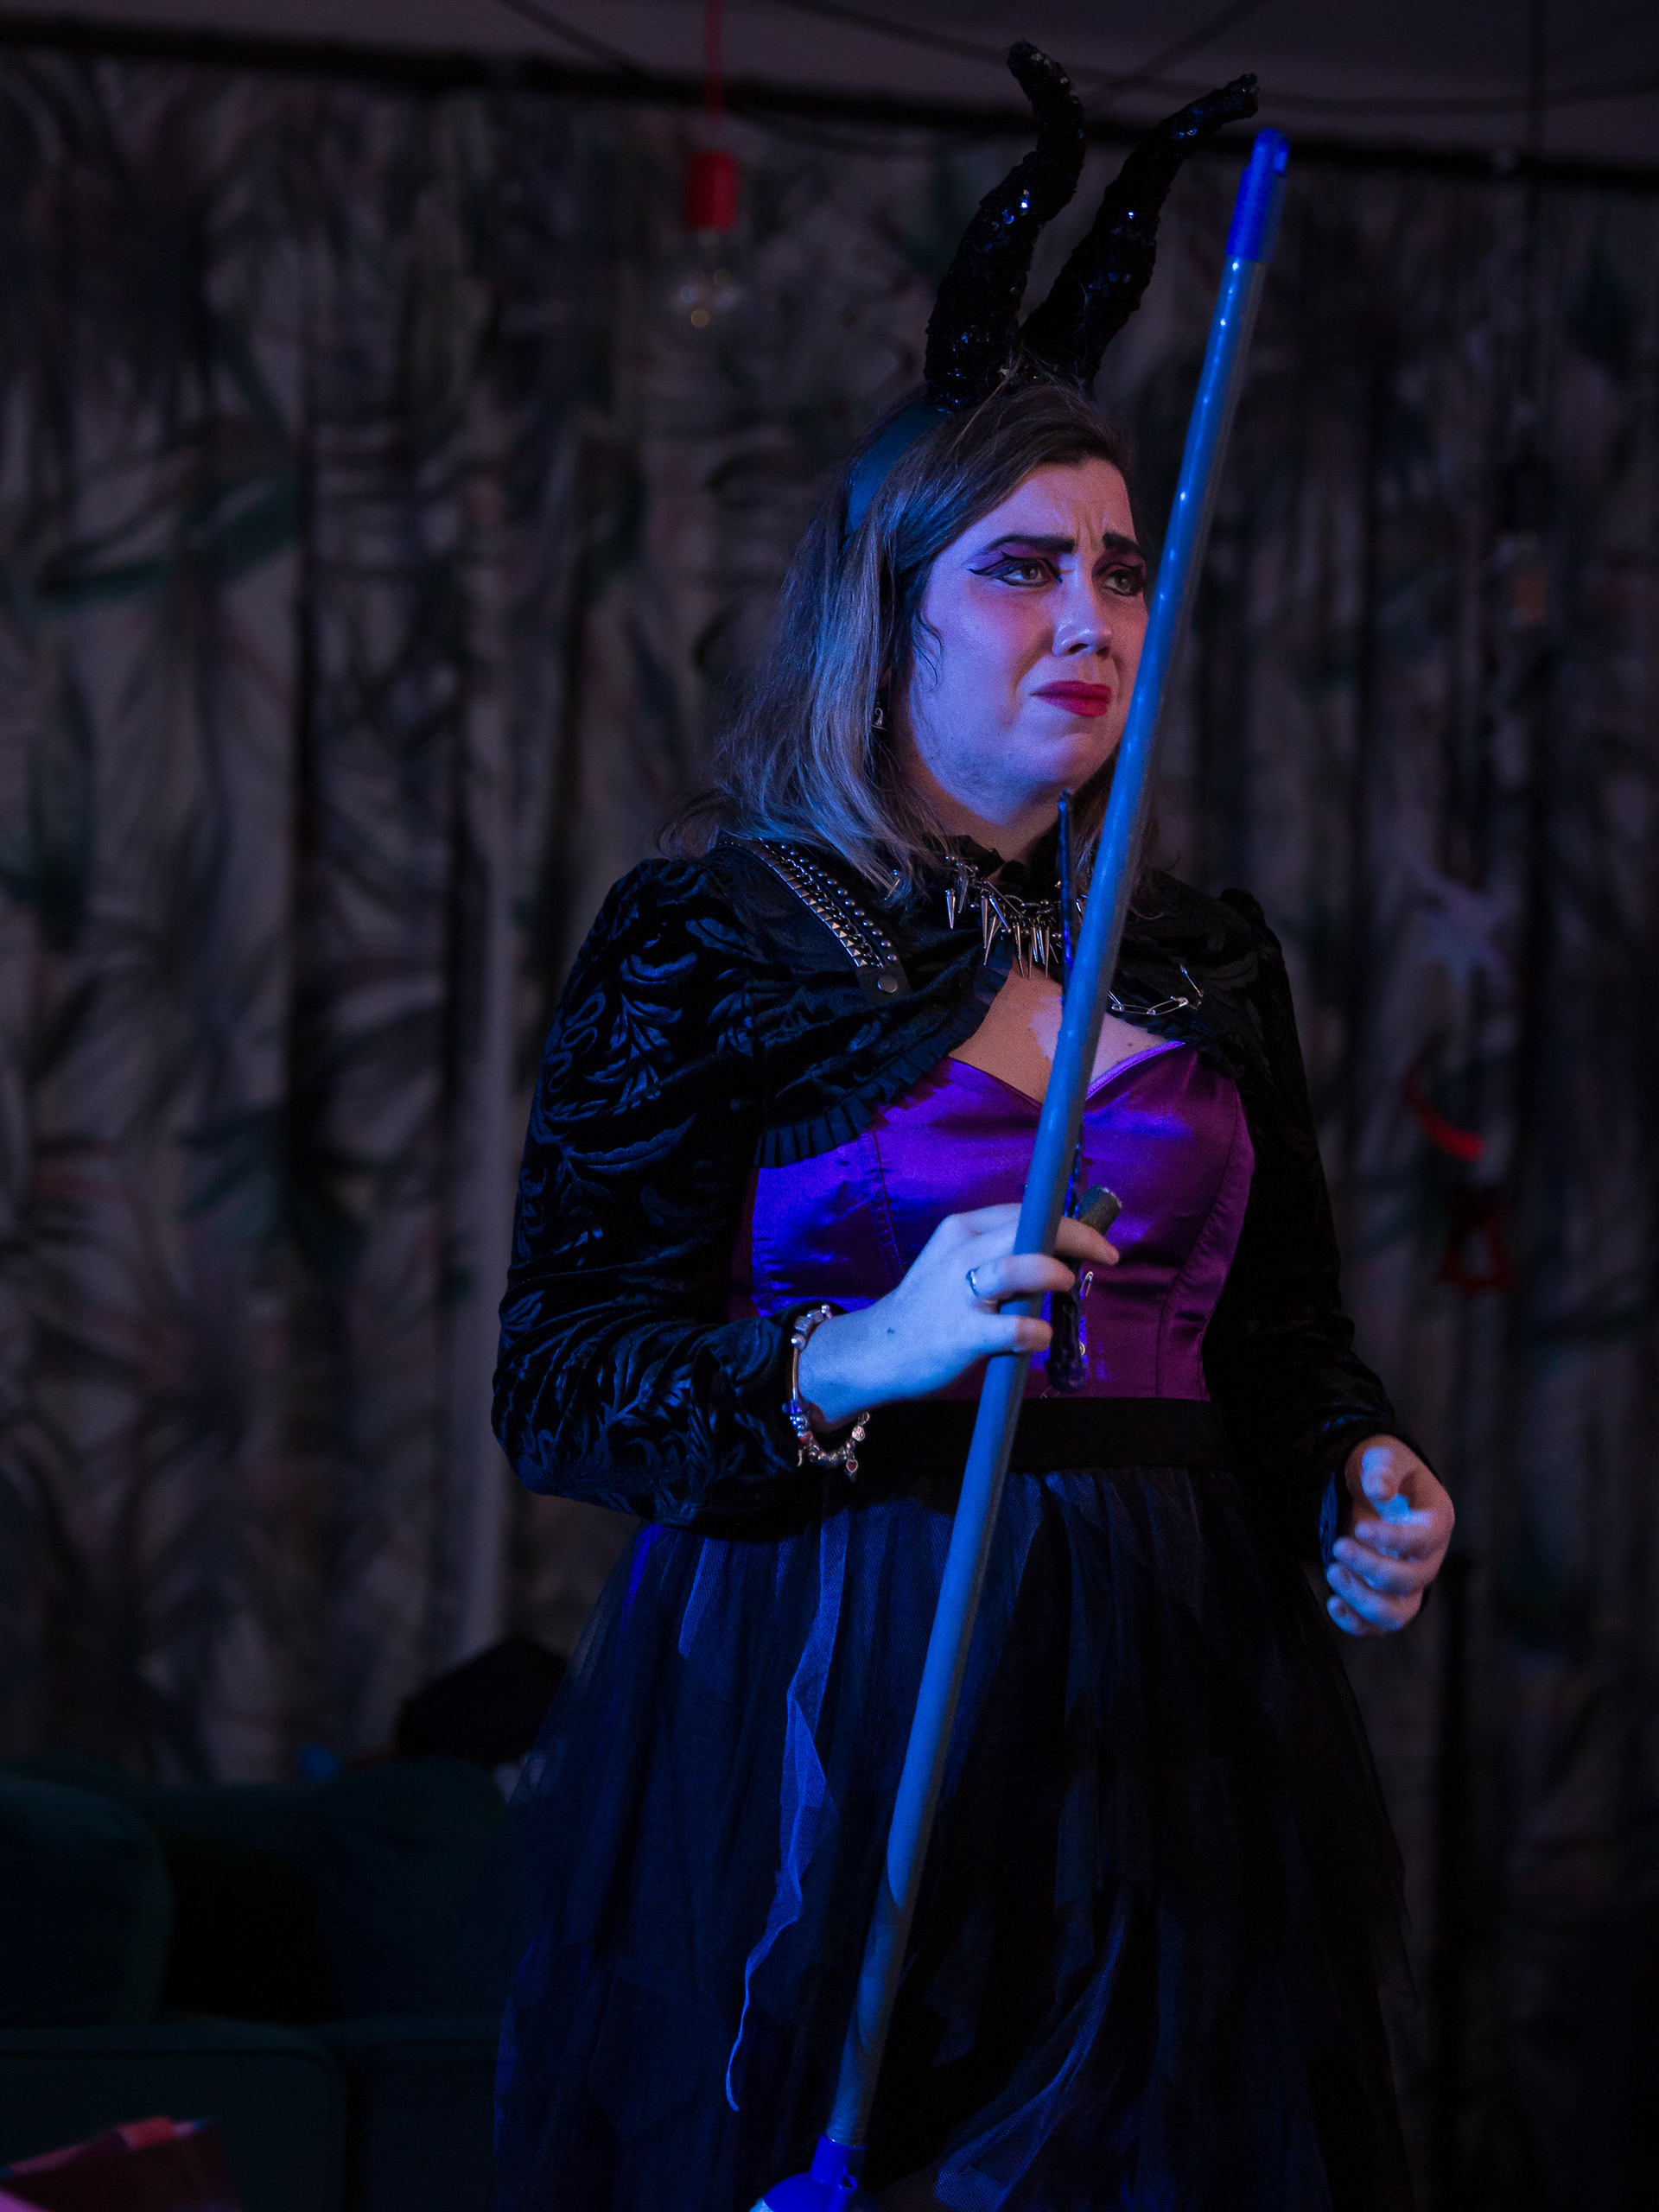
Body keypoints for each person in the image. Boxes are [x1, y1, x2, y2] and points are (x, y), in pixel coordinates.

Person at [491, 54, 1453, 2212]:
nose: (1091, 621)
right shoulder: (719, 931)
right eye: (1025, 570)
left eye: (1122, 568)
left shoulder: (1203, 951)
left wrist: (1355, 1467)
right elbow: (555, 1377)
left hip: (1175, 1692)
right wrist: (864, 1346)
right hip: (835, 1673)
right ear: (892, 604)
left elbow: (1285, 1343)